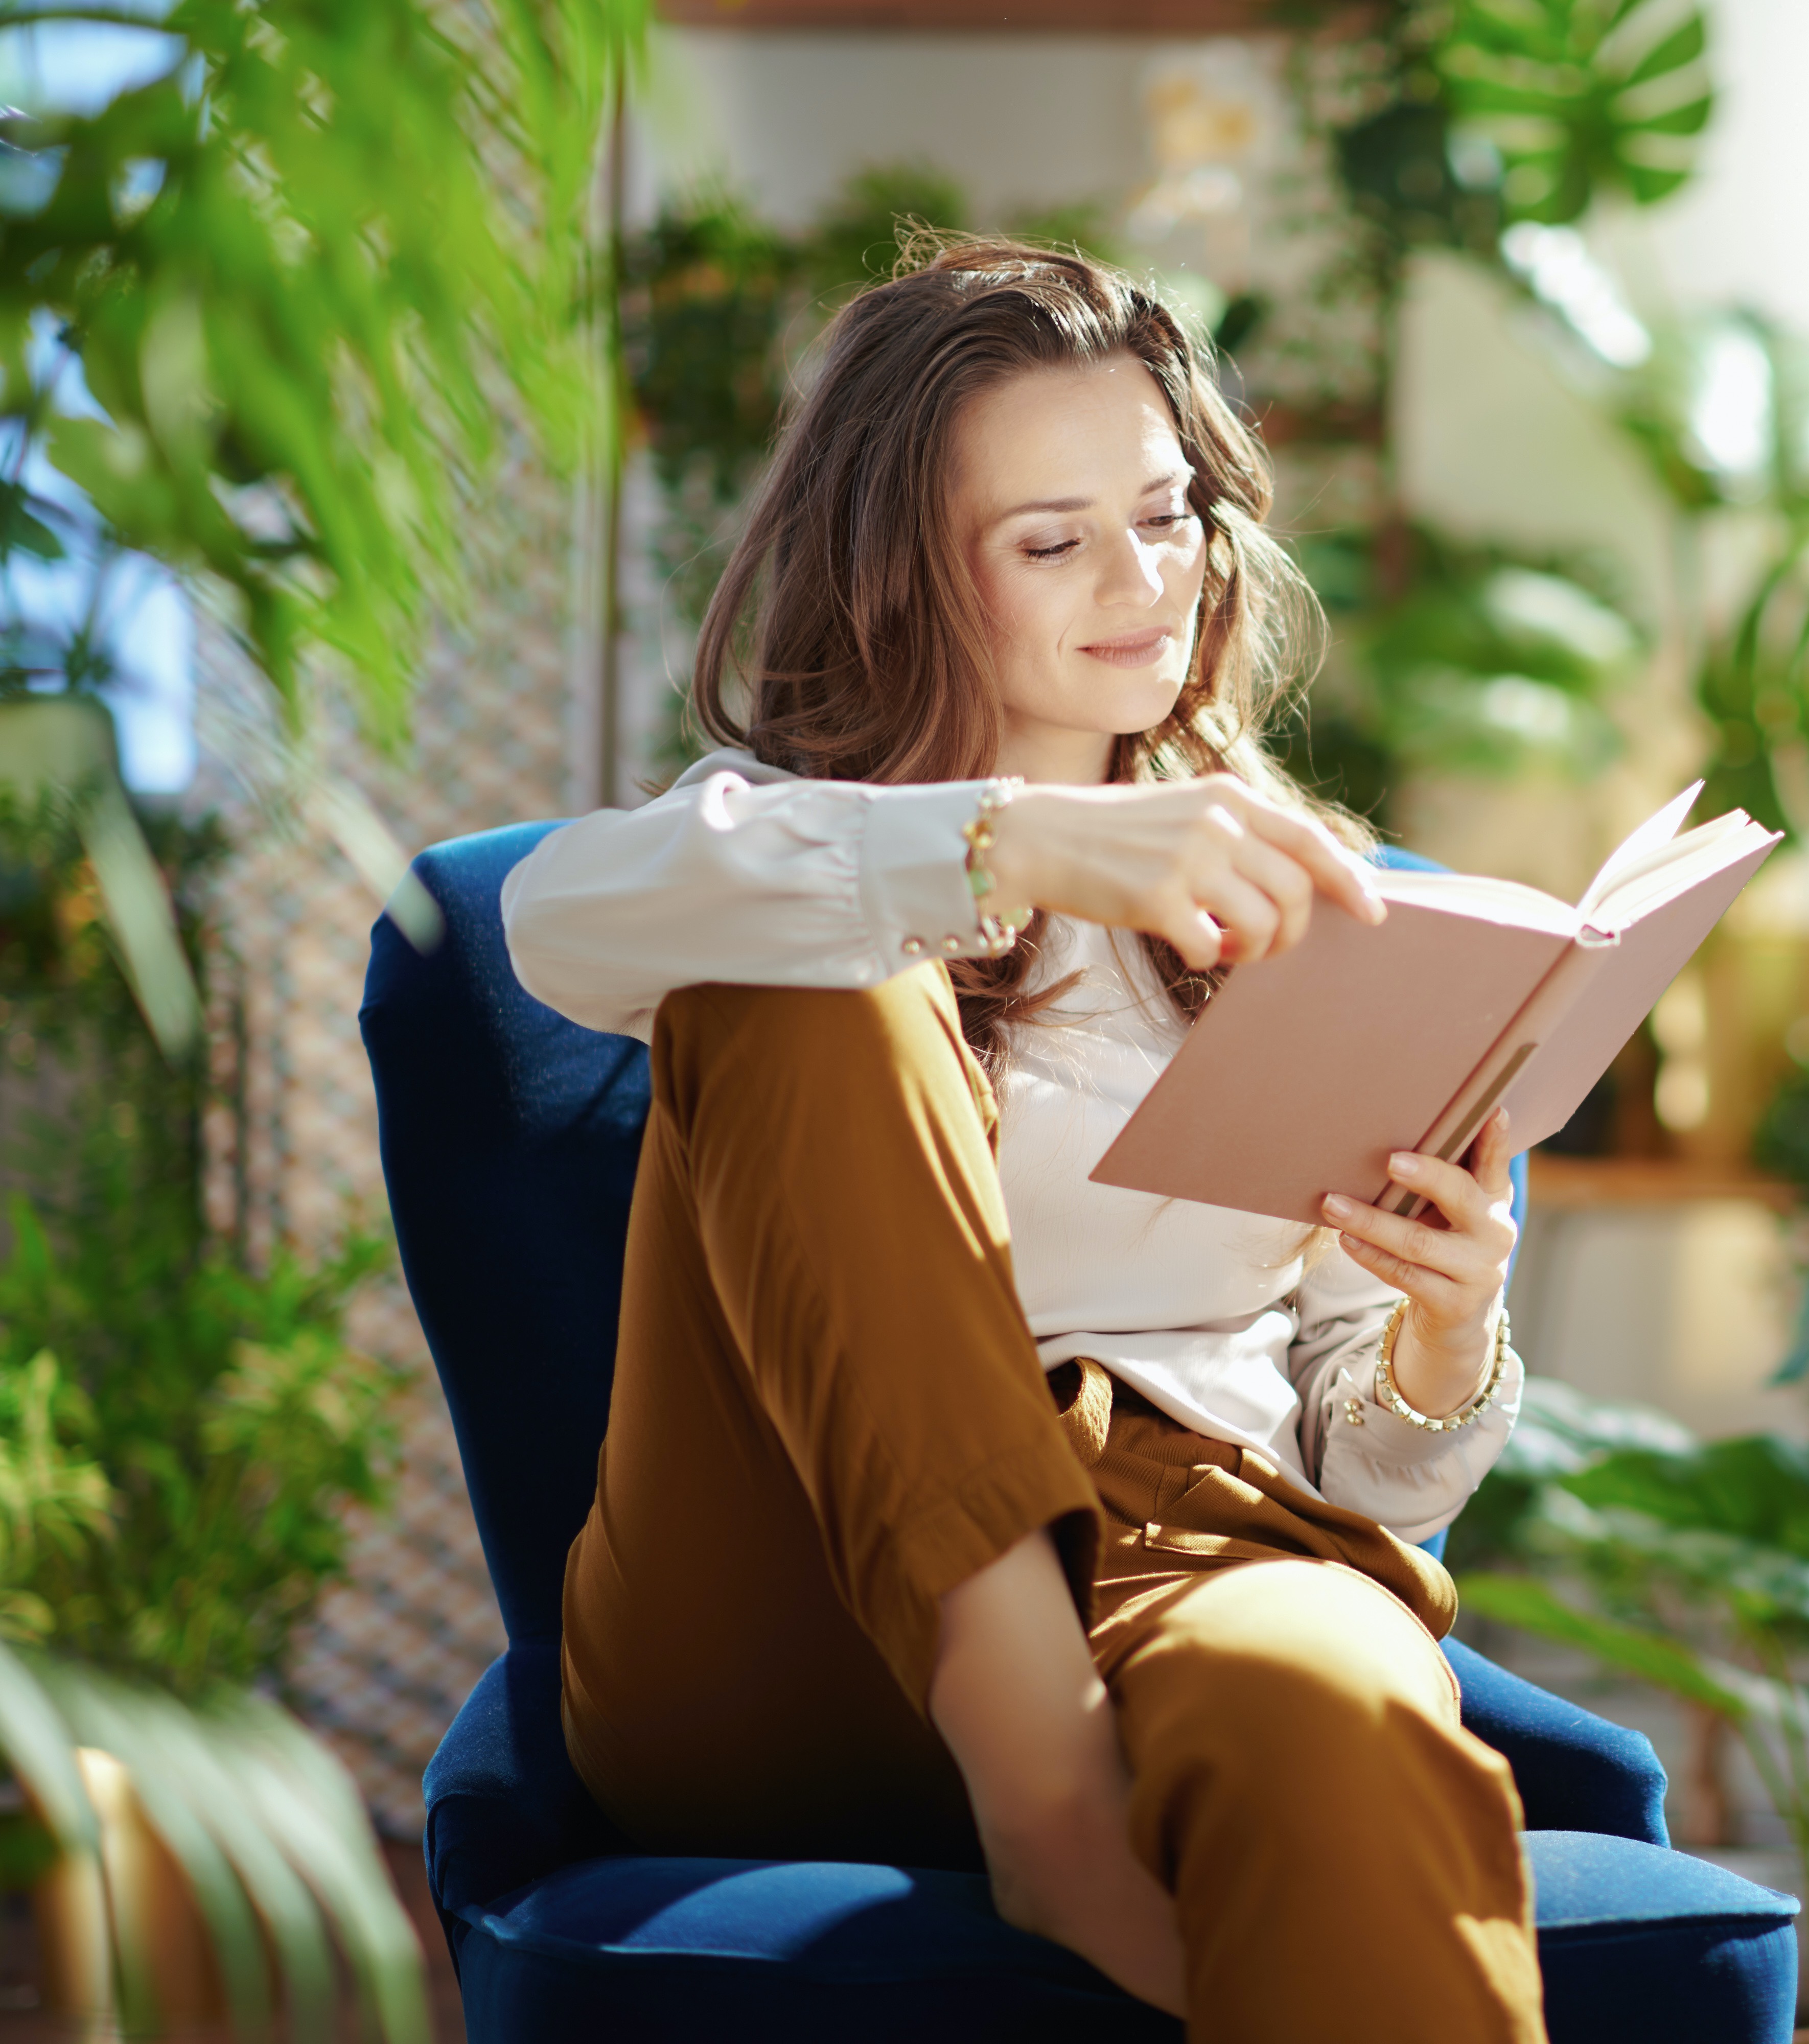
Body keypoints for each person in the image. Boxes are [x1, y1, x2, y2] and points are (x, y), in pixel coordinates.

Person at [502, 236, 1545, 2042]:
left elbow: (1360, 1466)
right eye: (1054, 541)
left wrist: (1446, 1339)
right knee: (809, 970)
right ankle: (1047, 1800)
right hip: (785, 1603)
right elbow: (546, 922)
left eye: (1166, 513)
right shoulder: (794, 847)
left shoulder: (1299, 897)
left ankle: (1097, 1762)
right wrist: (1009, 852)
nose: (1146, 582)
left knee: (1341, 1707)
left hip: (1190, 1553)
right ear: (912, 582)